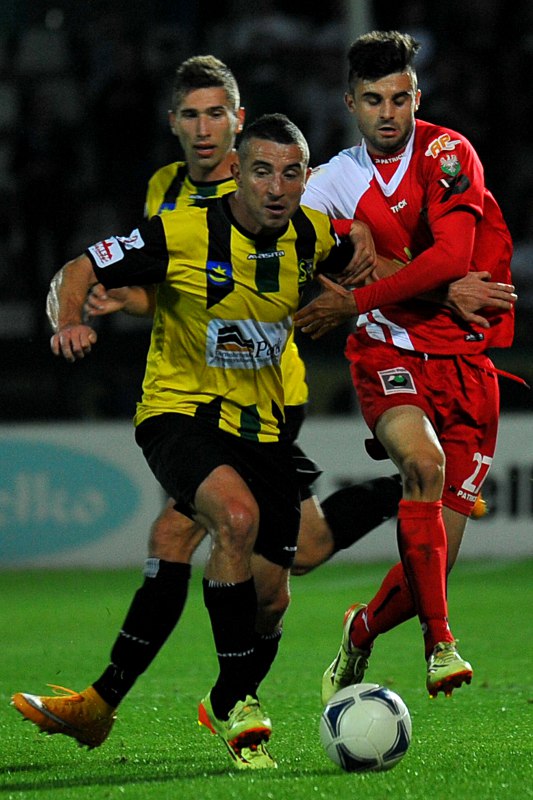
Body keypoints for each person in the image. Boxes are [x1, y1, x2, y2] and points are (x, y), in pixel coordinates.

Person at [14, 112, 379, 770]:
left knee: (271, 599)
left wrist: (400, 286)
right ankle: (237, 703)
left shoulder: (311, 232)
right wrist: (67, 321)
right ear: (236, 171)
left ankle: (123, 703)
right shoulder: (179, 230)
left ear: (306, 179)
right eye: (261, 171)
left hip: (264, 428)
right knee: (231, 518)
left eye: (290, 174)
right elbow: (76, 269)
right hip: (178, 415)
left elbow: (369, 254)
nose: (275, 187)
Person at [294, 30, 516, 701]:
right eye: (372, 100)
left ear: (416, 96)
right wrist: (341, 237)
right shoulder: (334, 180)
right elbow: (283, 231)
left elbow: (451, 258)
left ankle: (360, 630)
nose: (387, 113)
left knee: (432, 570)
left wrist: (358, 293)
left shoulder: (448, 153)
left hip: (466, 364)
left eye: (398, 98)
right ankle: (440, 646)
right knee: (422, 464)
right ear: (350, 104)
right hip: (387, 353)